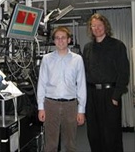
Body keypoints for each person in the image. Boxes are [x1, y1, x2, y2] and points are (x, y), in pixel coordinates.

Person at [82, 13, 130, 152]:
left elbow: (124, 73)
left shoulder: (117, 45)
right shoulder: (87, 48)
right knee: (94, 133)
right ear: (90, 29)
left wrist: (116, 96)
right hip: (92, 95)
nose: (97, 28)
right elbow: (84, 73)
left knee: (111, 133)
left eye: (100, 25)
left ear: (105, 26)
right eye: (94, 26)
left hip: (110, 95)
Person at [37, 26, 87, 152]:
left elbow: (81, 85)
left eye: (63, 38)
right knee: (50, 144)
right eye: (57, 38)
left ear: (69, 40)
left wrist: (81, 110)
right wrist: (40, 108)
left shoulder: (77, 59)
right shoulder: (47, 59)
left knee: (70, 144)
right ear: (54, 41)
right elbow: (41, 84)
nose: (60, 40)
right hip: (50, 104)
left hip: (70, 105)